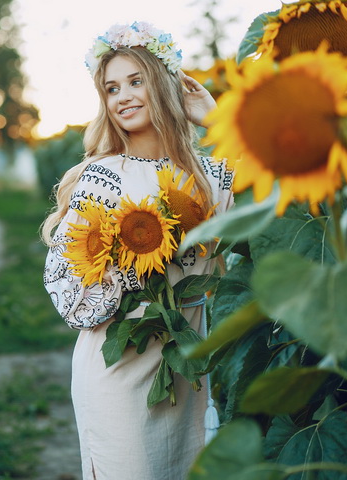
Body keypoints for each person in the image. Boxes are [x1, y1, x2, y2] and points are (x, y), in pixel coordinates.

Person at [40, 21, 234, 479]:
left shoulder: (212, 176)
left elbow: (280, 201)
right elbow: (68, 292)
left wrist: (218, 120)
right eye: (111, 88)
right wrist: (142, 260)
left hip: (187, 362)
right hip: (118, 367)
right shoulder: (104, 176)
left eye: (136, 81)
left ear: (165, 85)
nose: (122, 96)